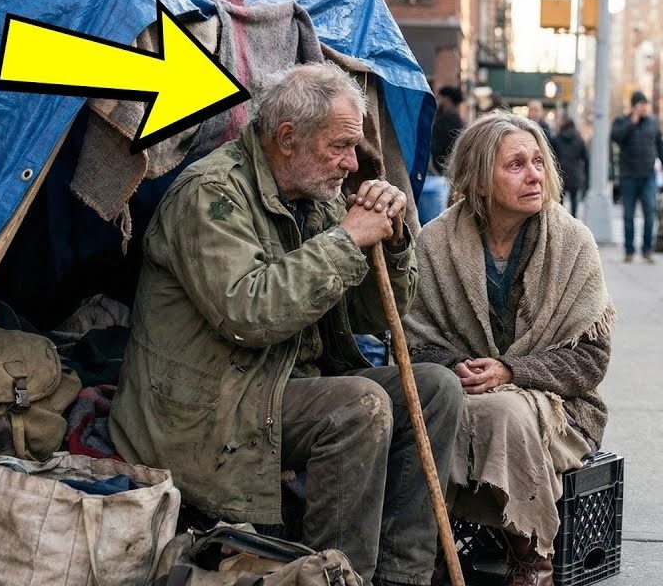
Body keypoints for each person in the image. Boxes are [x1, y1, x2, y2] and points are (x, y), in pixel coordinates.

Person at [112, 63, 464, 586]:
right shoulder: (212, 193)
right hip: (208, 406)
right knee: (357, 407)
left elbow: (370, 316)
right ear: (286, 138)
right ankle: (337, 578)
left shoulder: (313, 196)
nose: (352, 163)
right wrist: (346, 241)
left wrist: (389, 242)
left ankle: (401, 576)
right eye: (340, 146)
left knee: (436, 388)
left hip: (277, 387)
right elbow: (249, 314)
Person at [404, 112, 614, 586]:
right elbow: (411, 345)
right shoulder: (435, 244)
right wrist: (456, 368)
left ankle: (531, 560)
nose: (535, 174)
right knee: (432, 409)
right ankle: (427, 554)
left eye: (538, 161)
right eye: (516, 164)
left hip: (562, 410)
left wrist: (509, 371)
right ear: (479, 180)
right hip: (459, 396)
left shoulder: (572, 243)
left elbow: (590, 361)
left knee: (503, 413)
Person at [610, 91, 663, 263]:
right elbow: (616, 137)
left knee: (650, 213)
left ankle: (647, 249)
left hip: (648, 175)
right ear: (634, 106)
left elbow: (660, 146)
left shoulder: (653, 122)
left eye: (645, 105)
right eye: (640, 104)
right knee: (629, 215)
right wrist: (631, 122)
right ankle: (629, 250)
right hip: (628, 176)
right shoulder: (622, 121)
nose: (644, 108)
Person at [421, 85, 467, 225]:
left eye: (440, 98)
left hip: (440, 179)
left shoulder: (449, 121)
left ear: (447, 100)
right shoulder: (453, 120)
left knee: (434, 221)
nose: (438, 101)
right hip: (441, 177)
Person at [552, 117, 590, 217]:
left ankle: (560, 220)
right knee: (574, 200)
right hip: (575, 174)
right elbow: (585, 158)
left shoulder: (557, 138)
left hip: (561, 174)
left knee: (560, 200)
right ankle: (573, 219)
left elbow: (553, 157)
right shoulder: (579, 139)